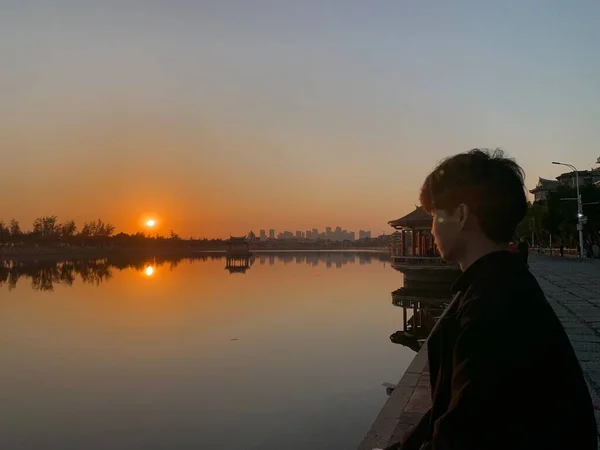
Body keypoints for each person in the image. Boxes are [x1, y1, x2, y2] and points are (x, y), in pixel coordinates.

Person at [384, 149, 596, 450]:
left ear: (460, 215)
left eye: (434, 216)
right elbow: (452, 411)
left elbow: (462, 437)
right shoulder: (501, 287)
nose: (431, 228)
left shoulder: (494, 311)